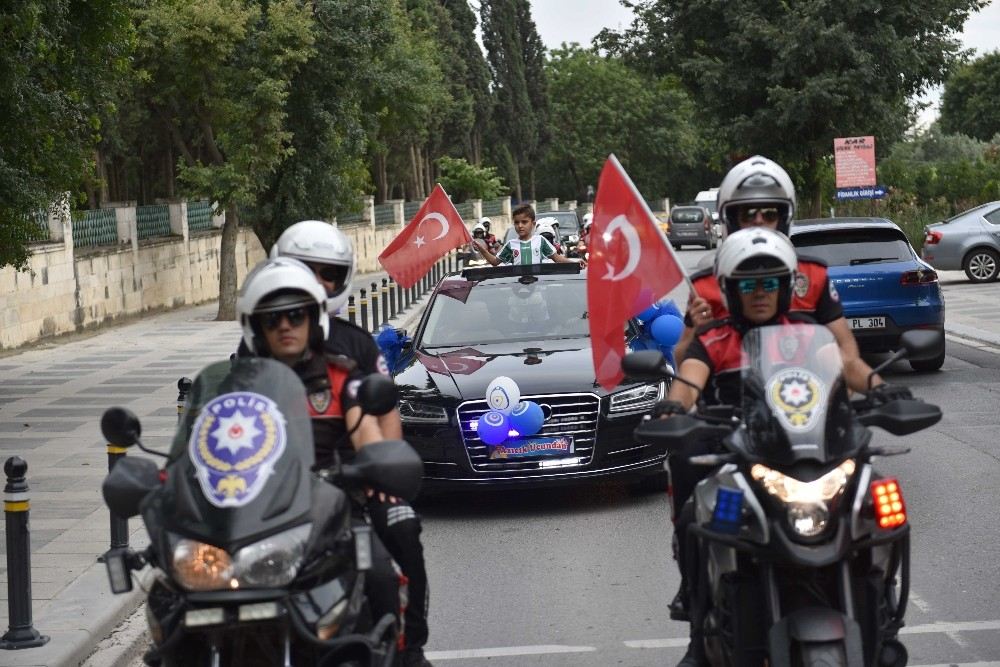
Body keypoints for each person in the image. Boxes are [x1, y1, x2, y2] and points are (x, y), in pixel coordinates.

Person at [658, 228, 911, 667]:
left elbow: (846, 365)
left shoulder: (807, 333)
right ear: (731, 291)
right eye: (749, 285)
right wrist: (672, 407)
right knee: (700, 516)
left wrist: (883, 388)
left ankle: (881, 614)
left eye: (771, 283)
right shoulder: (715, 339)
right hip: (740, 448)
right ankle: (701, 628)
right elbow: (690, 380)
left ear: (785, 287)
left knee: (877, 504)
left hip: (810, 448)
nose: (760, 293)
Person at [265, 221, 432, 667]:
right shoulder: (251, 353)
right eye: (305, 271)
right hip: (270, 499)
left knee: (397, 532)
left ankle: (409, 646)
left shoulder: (351, 351)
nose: (317, 284)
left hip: (345, 488)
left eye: (327, 273)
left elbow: (378, 419)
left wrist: (381, 472)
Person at [673, 156, 875, 399]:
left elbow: (846, 350)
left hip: (804, 407)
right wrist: (697, 330)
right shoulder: (706, 284)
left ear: (783, 218)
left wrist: (839, 394)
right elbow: (684, 360)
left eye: (769, 214)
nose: (759, 221)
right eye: (748, 214)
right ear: (731, 219)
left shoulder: (812, 274)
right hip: (728, 412)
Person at [473, 204, 579, 266]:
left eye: (524, 222)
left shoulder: (540, 241)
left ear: (533, 224)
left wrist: (576, 263)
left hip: (538, 291)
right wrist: (482, 249)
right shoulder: (510, 244)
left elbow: (557, 259)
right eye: (517, 222)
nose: (520, 226)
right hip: (517, 291)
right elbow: (495, 262)